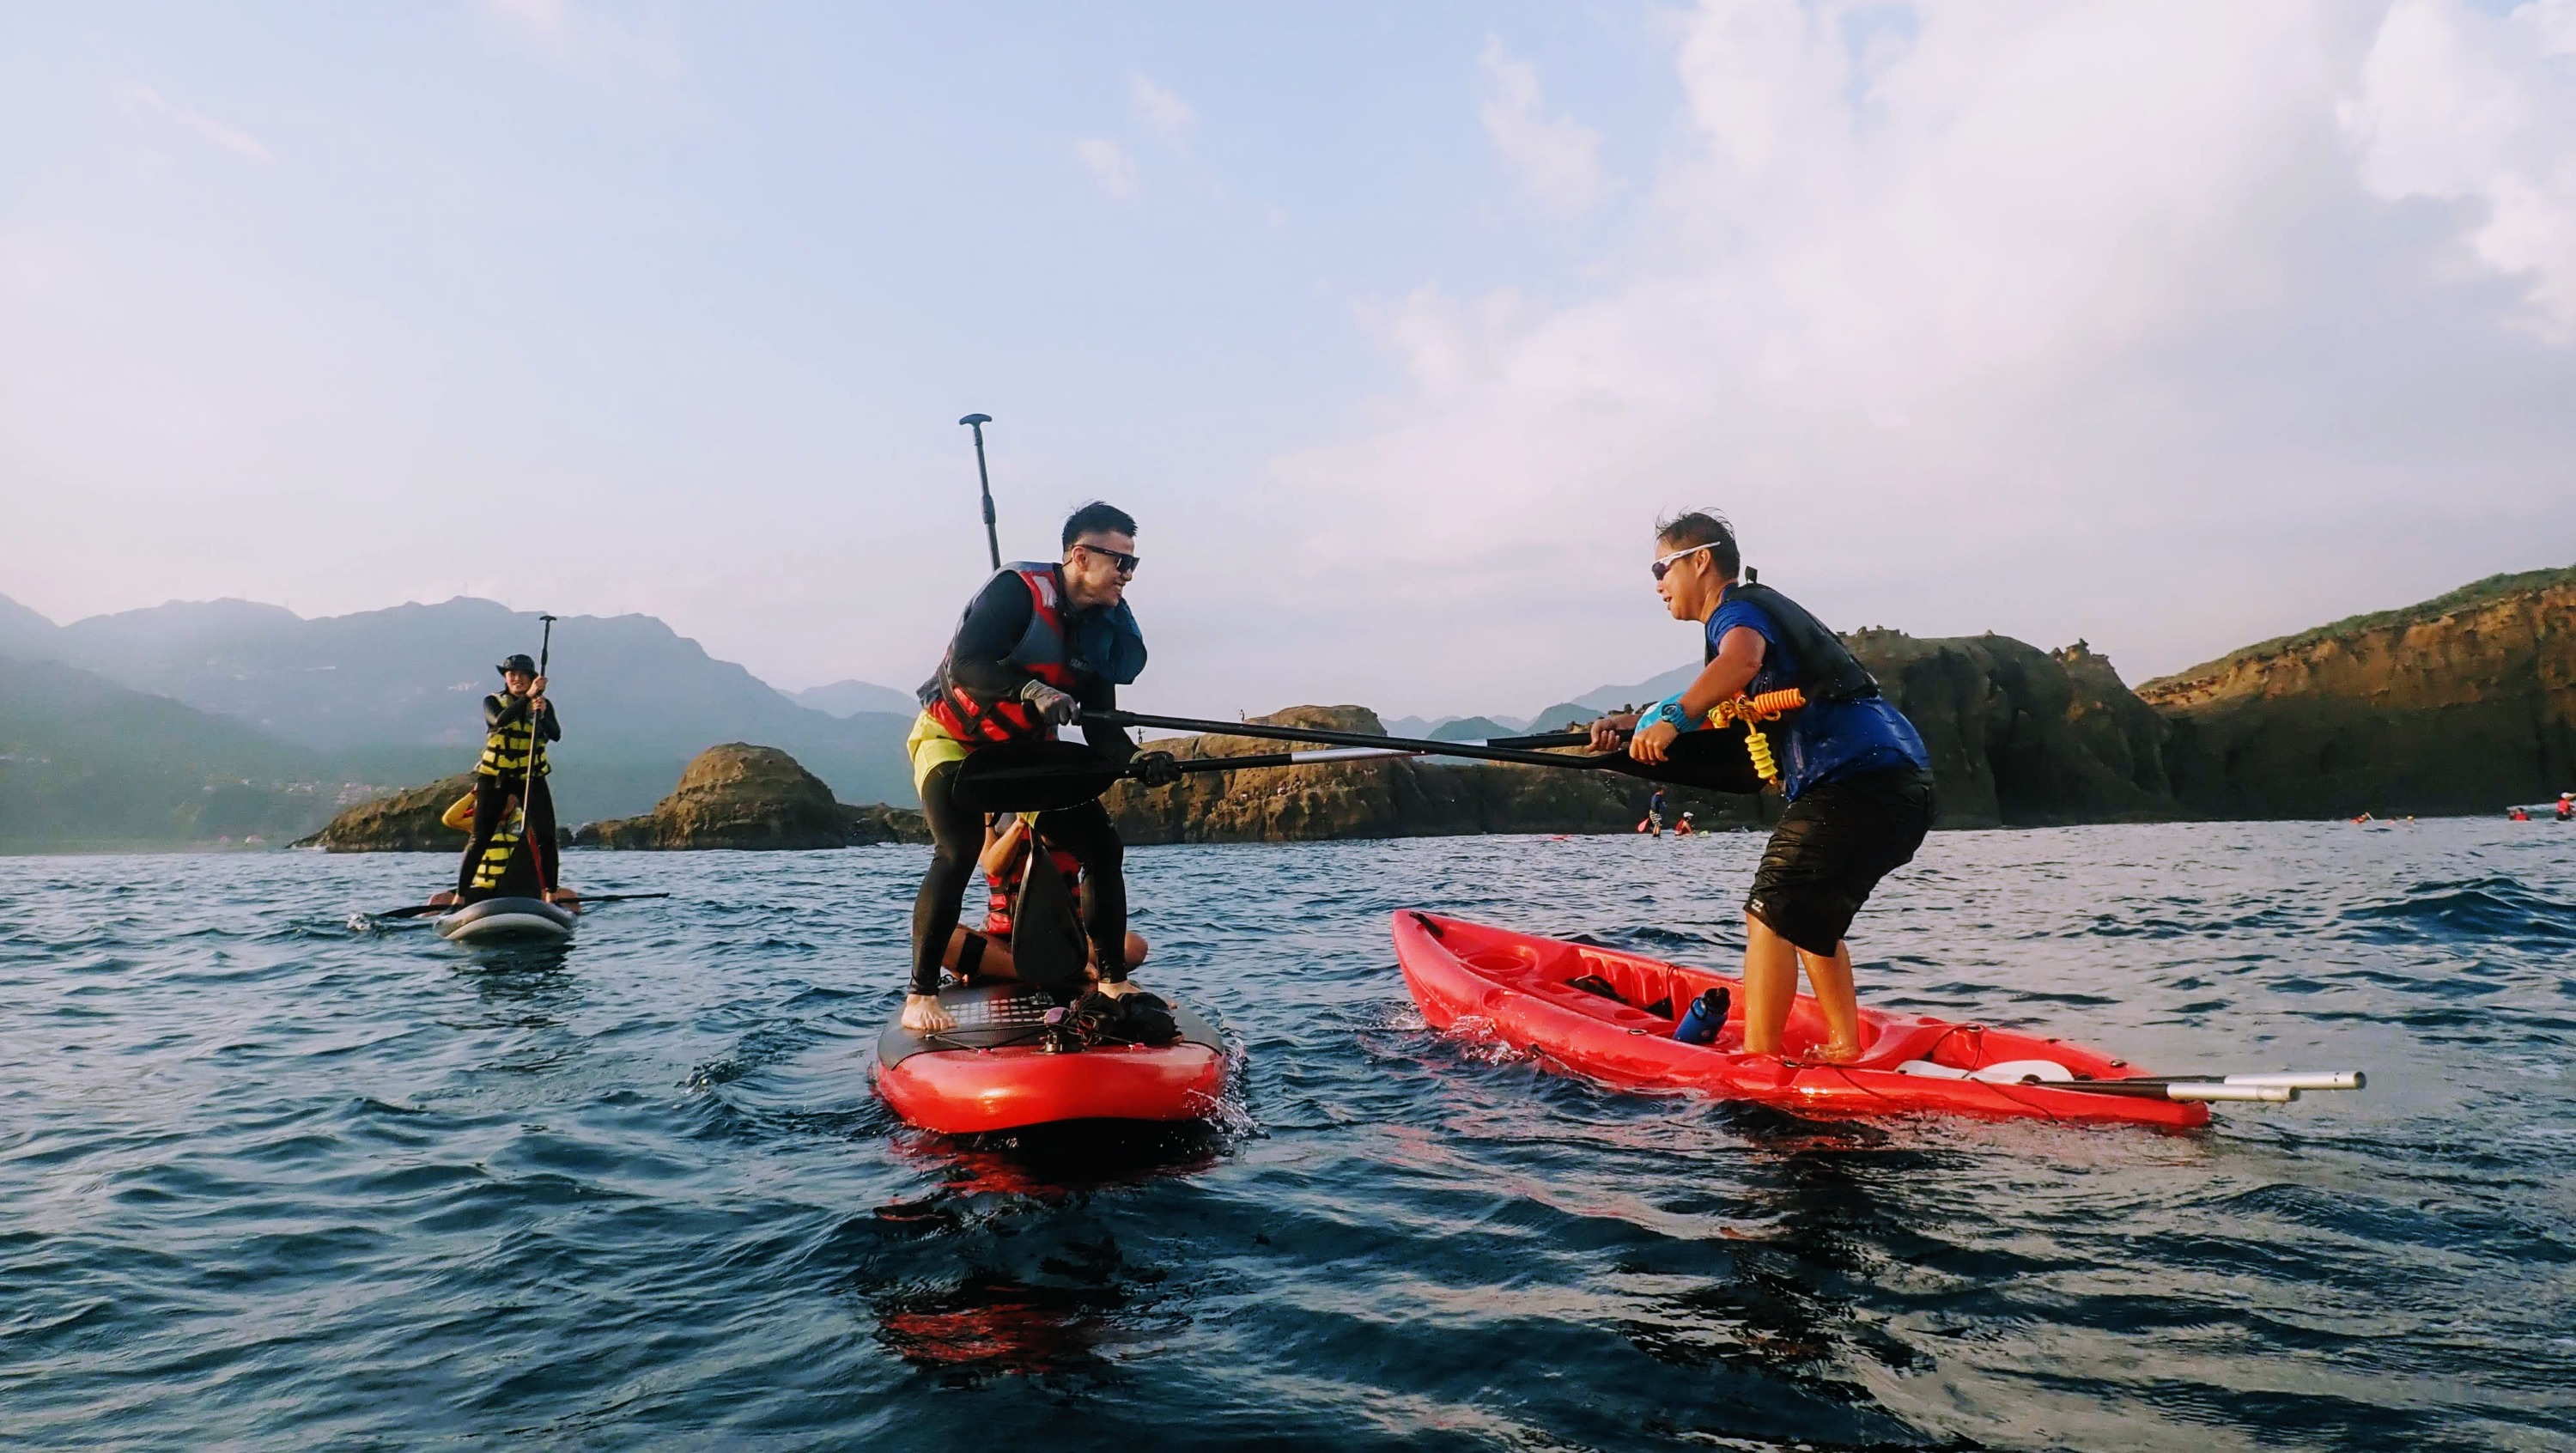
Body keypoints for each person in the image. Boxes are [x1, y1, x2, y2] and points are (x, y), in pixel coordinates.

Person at [1588, 511, 1934, 1063]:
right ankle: (1845, 1046)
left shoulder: (1737, 612)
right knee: (1806, 913)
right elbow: (1727, 699)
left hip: (1858, 780)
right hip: (1898, 782)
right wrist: (1637, 722)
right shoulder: (1757, 612)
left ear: (1700, 561)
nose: (1657, 583)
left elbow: (1741, 662)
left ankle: (1759, 1063)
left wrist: (1673, 717)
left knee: (1769, 910)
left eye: (1661, 566)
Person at [901, 502, 1180, 1033]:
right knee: (959, 850)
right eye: (1119, 562)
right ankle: (919, 995)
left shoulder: (1100, 630)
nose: (1127, 575)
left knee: (1102, 845)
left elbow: (1102, 728)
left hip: (1024, 752)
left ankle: (1113, 978)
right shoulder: (1017, 592)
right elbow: (968, 663)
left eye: (1132, 564)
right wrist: (1029, 687)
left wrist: (1140, 762)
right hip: (953, 740)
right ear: (1080, 556)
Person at [942, 812, 1151, 984]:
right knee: (939, 938)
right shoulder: (992, 816)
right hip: (1005, 941)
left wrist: (1037, 813)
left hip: (1065, 940)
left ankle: (998, 968)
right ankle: (1055, 971)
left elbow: (1056, 840)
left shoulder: (1065, 814)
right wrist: (1020, 823)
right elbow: (992, 866)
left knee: (1133, 946)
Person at [457, 654, 565, 902]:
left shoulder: (542, 705)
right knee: (480, 837)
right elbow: (499, 721)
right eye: (511, 675)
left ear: (532, 679)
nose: (516, 679)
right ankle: (460, 898)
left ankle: (551, 895)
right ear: (506, 678)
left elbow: (555, 735)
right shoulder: (492, 701)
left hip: (530, 776)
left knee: (546, 836)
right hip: (495, 777)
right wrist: (527, 699)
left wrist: (544, 714)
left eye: (522, 675)